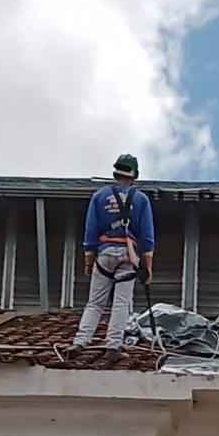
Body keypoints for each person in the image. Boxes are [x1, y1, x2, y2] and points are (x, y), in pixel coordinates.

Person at [64, 154, 155, 365]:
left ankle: (80, 341)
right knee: (121, 303)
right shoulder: (141, 199)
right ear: (134, 176)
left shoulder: (99, 196)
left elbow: (90, 231)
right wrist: (147, 268)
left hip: (104, 254)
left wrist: (89, 260)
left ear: (115, 173)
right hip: (128, 255)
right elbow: (147, 237)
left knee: (95, 303)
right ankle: (113, 345)